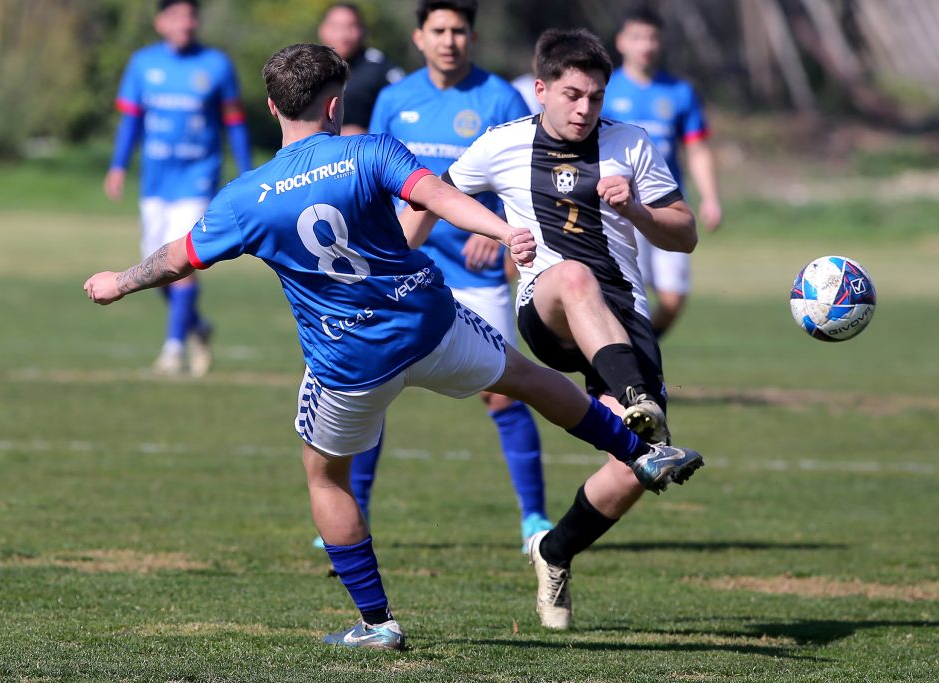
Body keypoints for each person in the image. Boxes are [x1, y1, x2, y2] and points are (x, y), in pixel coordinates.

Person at [83, 43, 704, 650]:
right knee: (526, 379)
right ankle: (636, 452)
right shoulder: (370, 151)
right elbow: (438, 196)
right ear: (335, 106)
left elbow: (179, 258)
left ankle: (377, 621)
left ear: (273, 109)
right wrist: (504, 229)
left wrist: (120, 281)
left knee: (325, 477)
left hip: (349, 361)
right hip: (429, 324)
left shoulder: (244, 199)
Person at [403, 27, 699, 630]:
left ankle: (555, 549)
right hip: (548, 303)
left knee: (635, 467)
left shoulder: (631, 144)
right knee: (570, 275)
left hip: (622, 315)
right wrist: (388, 273)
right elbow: (429, 198)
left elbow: (684, 232)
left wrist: (636, 210)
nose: (584, 109)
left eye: (595, 97)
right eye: (571, 95)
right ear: (541, 89)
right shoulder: (502, 144)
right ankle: (640, 402)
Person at [365, 0, 553, 547]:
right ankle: (352, 515)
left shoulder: (499, 98)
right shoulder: (395, 100)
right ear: (419, 37)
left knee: (503, 390)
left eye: (460, 30)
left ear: (472, 37)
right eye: (439, 30)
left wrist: (491, 227)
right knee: (368, 388)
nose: (450, 40)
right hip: (402, 271)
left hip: (475, 273)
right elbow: (373, 177)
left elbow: (527, 179)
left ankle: (534, 520)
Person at [104, 0, 251, 376]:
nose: (185, 23)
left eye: (190, 15)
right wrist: (118, 166)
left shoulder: (216, 65)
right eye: (176, 16)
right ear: (160, 22)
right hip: (155, 183)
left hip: (197, 178)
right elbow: (131, 121)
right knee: (155, 267)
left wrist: (247, 170)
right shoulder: (142, 64)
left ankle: (173, 350)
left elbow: (233, 122)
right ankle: (197, 326)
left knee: (182, 261)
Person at [606, 5, 722, 338]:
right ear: (621, 42)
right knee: (629, 299)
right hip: (620, 211)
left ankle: (638, 350)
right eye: (637, 37)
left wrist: (711, 198)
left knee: (673, 300)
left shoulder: (680, 92)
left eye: (653, 37)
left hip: (666, 207)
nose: (646, 45)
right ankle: (628, 360)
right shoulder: (606, 91)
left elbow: (697, 149)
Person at [318, 2, 404, 136]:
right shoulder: (309, 68)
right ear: (322, 29)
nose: (343, 35)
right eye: (335, 27)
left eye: (350, 27)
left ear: (363, 30)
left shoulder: (381, 69)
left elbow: (407, 116)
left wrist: (368, 134)